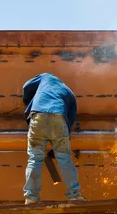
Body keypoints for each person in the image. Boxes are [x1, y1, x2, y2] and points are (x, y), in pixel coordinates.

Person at [22, 73, 85, 205]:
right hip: (59, 118)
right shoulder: (69, 93)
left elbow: (26, 86)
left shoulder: (45, 77)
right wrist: (61, 141)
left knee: (34, 158)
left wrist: (28, 102)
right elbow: (70, 120)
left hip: (37, 116)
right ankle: (74, 196)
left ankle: (31, 198)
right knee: (64, 158)